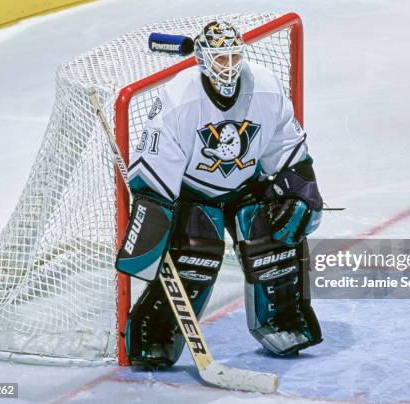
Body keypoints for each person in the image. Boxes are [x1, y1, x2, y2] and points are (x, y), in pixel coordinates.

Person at [117, 21, 323, 369]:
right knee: (196, 251)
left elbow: (288, 151)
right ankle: (157, 331)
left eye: (232, 57)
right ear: (203, 59)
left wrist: (303, 192)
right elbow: (153, 172)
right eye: (219, 58)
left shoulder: (265, 88)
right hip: (192, 192)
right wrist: (154, 219)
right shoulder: (180, 97)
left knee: (271, 234)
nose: (228, 66)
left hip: (247, 183)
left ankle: (282, 318)